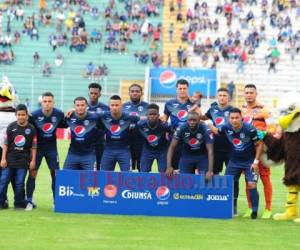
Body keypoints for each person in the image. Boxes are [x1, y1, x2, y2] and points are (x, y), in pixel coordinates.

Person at [213, 108, 263, 219]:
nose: (234, 120)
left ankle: (254, 212)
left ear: (241, 118)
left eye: (237, 118)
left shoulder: (249, 129)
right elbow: (217, 131)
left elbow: (259, 145)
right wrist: (206, 124)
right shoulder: (226, 127)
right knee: (229, 183)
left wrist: (255, 162)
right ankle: (232, 208)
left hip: (249, 162)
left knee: (252, 184)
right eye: (232, 118)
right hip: (234, 161)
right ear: (229, 119)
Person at [26, 92, 65, 210]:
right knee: (32, 173)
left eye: (49, 102)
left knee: (55, 175)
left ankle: (56, 202)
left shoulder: (59, 114)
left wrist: (72, 111)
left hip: (51, 148)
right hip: (37, 149)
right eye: (45, 101)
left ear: (53, 102)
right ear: (41, 102)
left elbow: (68, 123)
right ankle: (29, 200)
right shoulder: (34, 115)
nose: (47, 104)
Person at [241, 84, 273, 219]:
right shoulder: (241, 110)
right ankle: (250, 207)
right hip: (247, 151)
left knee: (265, 178)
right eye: (247, 92)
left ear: (256, 94)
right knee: (249, 180)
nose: (249, 95)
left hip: (262, 150)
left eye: (251, 92)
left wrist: (261, 133)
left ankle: (268, 208)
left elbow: (272, 129)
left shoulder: (264, 109)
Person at [0, 104, 37, 210]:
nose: (21, 117)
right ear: (16, 115)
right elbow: (6, 144)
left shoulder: (31, 128)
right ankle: (1, 202)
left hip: (23, 161)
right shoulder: (11, 127)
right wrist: (3, 158)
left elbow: (33, 146)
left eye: (23, 115)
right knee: (3, 181)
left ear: (26, 115)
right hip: (10, 160)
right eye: (19, 114)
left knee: (19, 183)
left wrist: (33, 160)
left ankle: (18, 203)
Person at [162, 79, 200, 171]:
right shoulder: (169, 103)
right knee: (173, 168)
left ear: (188, 89)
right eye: (180, 88)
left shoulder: (193, 103)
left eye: (184, 88)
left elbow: (200, 117)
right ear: (176, 89)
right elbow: (164, 120)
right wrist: (166, 130)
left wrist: (195, 104)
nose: (182, 90)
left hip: (190, 139)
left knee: (189, 169)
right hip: (174, 138)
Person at [166, 111, 214, 179]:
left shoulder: (205, 129)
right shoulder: (181, 128)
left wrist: (210, 170)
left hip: (202, 156)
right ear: (187, 120)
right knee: (184, 180)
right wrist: (169, 166)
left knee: (205, 180)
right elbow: (172, 147)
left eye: (194, 120)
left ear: (199, 120)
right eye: (190, 120)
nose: (192, 122)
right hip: (187, 156)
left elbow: (210, 150)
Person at [98, 95, 139, 171]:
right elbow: (88, 114)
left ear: (121, 106)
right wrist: (73, 110)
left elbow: (143, 119)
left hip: (124, 150)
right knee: (104, 175)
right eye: (112, 105)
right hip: (108, 150)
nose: (114, 107)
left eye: (117, 105)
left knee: (127, 176)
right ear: (109, 106)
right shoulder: (103, 116)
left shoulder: (130, 117)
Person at [201, 88, 233, 175]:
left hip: (230, 147)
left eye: (224, 95)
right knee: (214, 173)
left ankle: (233, 189)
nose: (222, 98)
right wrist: (195, 105)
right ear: (217, 97)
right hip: (216, 147)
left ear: (228, 97)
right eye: (220, 95)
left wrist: (209, 125)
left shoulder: (233, 110)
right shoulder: (212, 110)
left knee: (232, 175)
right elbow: (202, 118)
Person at [63, 97, 100, 170]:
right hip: (72, 154)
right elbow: (61, 124)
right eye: (78, 105)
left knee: (91, 179)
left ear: (86, 106)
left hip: (89, 155)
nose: (80, 107)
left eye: (82, 105)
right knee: (66, 178)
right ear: (74, 106)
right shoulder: (69, 117)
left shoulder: (95, 117)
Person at [122, 84, 149, 171]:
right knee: (129, 169)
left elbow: (151, 121)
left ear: (141, 93)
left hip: (142, 141)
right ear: (129, 93)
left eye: (137, 91)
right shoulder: (123, 107)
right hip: (127, 141)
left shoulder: (147, 106)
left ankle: (142, 184)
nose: (135, 93)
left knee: (142, 169)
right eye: (132, 91)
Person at [136, 104, 169, 172]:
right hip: (147, 150)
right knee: (144, 172)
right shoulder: (140, 124)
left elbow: (172, 135)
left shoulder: (164, 125)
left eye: (154, 114)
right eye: (150, 114)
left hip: (162, 151)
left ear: (158, 115)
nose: (152, 116)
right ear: (146, 115)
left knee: (163, 172)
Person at [87, 83, 109, 170]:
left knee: (100, 167)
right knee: (87, 167)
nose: (93, 95)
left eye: (95, 93)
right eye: (91, 93)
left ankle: (99, 184)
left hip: (100, 142)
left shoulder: (105, 108)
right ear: (88, 93)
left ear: (99, 94)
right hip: (86, 143)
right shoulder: (82, 106)